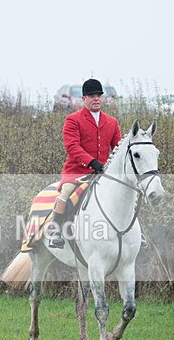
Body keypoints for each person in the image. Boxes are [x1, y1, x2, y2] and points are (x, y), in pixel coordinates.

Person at [48, 78, 122, 249]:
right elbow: (72, 147)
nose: (96, 98)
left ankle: (134, 233)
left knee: (125, 194)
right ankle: (56, 231)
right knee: (66, 193)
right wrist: (92, 162)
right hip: (76, 172)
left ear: (102, 98)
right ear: (84, 99)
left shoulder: (112, 122)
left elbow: (117, 148)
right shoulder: (73, 120)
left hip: (102, 173)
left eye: (98, 95)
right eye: (91, 96)